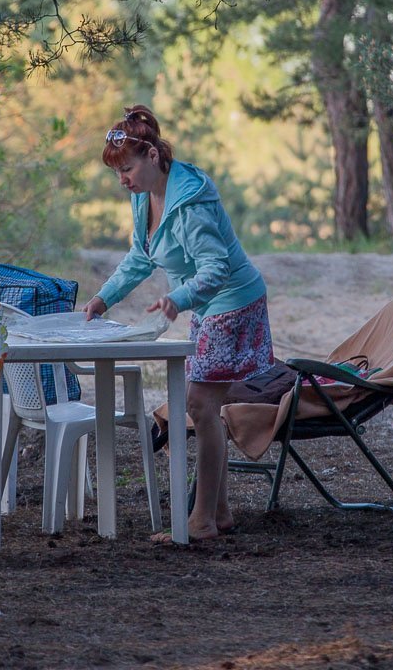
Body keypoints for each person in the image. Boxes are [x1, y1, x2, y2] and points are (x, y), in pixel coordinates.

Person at [83, 105, 275, 542]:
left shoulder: (191, 202)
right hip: (207, 307)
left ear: (152, 157)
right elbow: (141, 257)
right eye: (117, 173)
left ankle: (202, 521)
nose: (123, 180)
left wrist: (178, 297)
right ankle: (218, 512)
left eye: (127, 169)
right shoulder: (143, 197)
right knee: (204, 410)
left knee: (200, 407)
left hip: (233, 303)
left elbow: (217, 268)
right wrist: (104, 297)